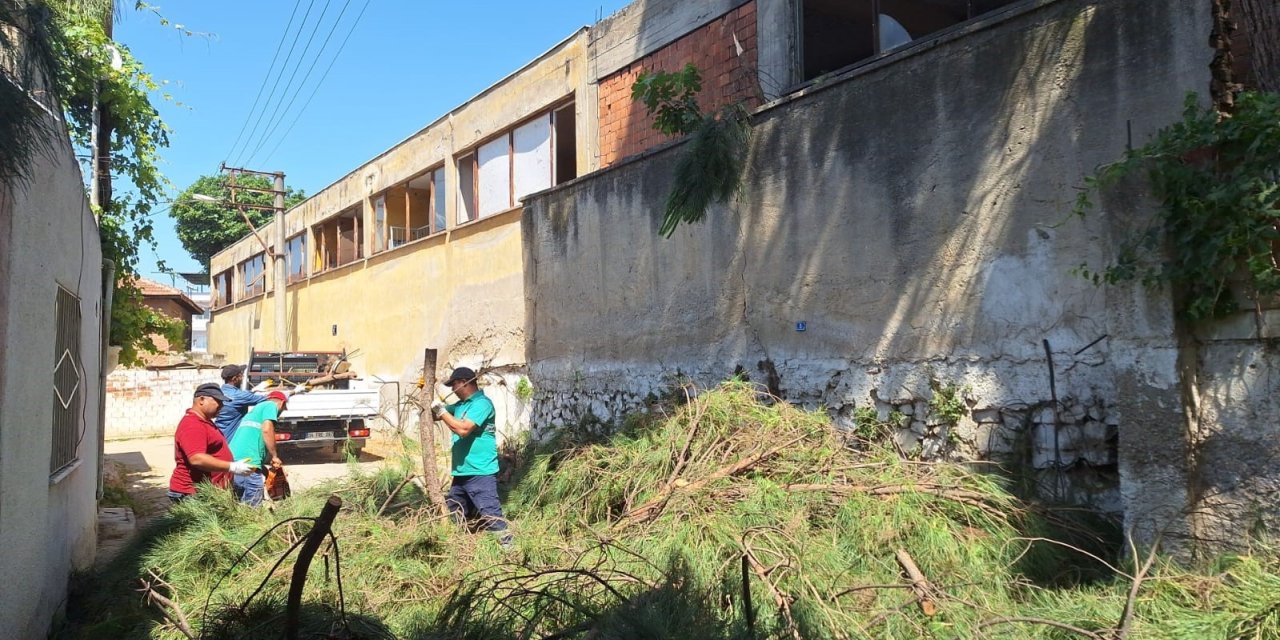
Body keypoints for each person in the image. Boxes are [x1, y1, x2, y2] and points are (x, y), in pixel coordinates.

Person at [432, 367, 512, 548]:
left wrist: (441, 411)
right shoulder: (460, 405)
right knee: (455, 511)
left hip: (480, 472)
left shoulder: (482, 404)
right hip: (461, 473)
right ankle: (462, 548)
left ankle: (510, 550)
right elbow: (436, 415)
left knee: (491, 514)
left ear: (464, 382)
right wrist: (428, 398)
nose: (452, 389)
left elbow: (463, 429)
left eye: (454, 385)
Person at [169, 383, 254, 502]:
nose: (221, 406)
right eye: (218, 401)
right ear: (202, 400)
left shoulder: (205, 421)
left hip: (206, 491)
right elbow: (196, 458)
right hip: (192, 494)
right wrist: (232, 467)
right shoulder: (193, 424)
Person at [227, 390, 289, 506]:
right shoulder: (271, 405)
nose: (280, 413)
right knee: (253, 508)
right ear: (282, 403)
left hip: (236, 461)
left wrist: (264, 471)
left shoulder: (255, 410)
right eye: (283, 409)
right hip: (248, 464)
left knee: (238, 504)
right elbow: (267, 429)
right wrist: (275, 456)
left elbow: (251, 441)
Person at [214, 364, 269, 441]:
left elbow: (242, 396)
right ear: (235, 379)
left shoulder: (220, 392)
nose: (242, 378)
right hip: (230, 439)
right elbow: (266, 398)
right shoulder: (238, 396)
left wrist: (253, 391)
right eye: (241, 376)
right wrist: (289, 393)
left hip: (219, 434)